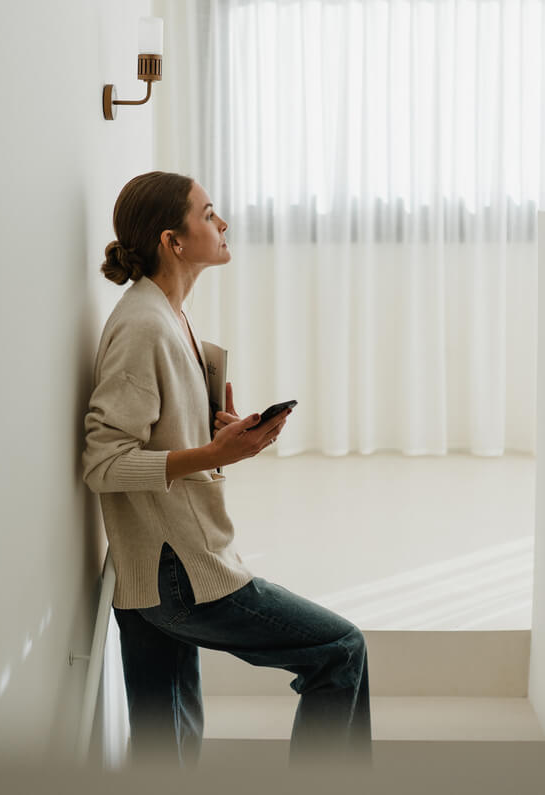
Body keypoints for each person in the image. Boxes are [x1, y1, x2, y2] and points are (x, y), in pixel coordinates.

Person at [81, 171, 373, 770]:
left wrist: (214, 436)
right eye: (208, 213)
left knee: (168, 753)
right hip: (180, 569)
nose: (223, 222)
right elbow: (103, 462)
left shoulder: (166, 315)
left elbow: (153, 440)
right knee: (339, 650)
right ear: (173, 241)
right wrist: (215, 456)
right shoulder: (144, 326)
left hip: (151, 572)